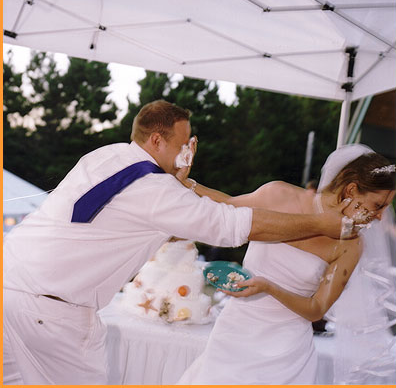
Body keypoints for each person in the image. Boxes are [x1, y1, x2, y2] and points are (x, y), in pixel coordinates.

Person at [3, 100, 352, 385]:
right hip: (49, 314)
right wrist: (321, 223)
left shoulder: (106, 156)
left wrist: (179, 183)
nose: (188, 151)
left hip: (10, 282)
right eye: (183, 144)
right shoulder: (155, 190)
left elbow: (149, 225)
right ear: (156, 140)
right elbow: (232, 225)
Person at [177, 143, 396, 385]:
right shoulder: (278, 195)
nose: (380, 216)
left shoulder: (352, 245)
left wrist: (269, 287)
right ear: (352, 190)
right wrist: (188, 183)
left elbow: (317, 308)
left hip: (287, 354)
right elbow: (226, 207)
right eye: (379, 205)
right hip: (234, 335)